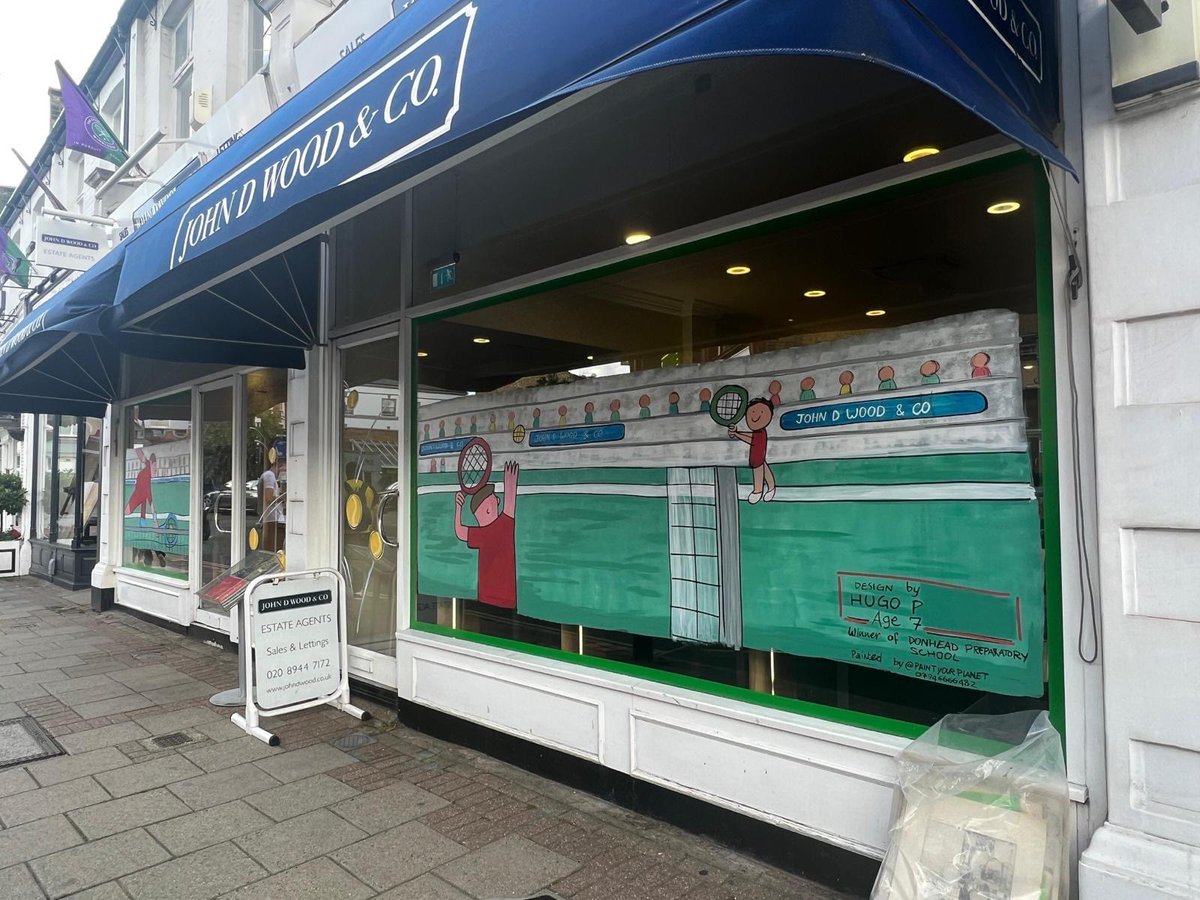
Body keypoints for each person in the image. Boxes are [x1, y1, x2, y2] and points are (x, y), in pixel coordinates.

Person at [454, 460, 519, 608]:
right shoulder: (504, 525)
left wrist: (458, 507)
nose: (497, 499)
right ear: (488, 509)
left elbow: (459, 531)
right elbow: (510, 501)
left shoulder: (483, 534)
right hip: (506, 599)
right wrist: (510, 483)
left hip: (485, 598)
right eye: (494, 499)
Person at [727, 398, 776, 504]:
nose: (755, 415)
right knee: (765, 470)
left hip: (757, 457)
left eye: (761, 412)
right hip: (758, 456)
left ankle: (758, 491)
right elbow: (751, 436)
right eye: (752, 411)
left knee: (758, 472)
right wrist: (737, 433)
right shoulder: (759, 432)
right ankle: (771, 488)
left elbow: (750, 439)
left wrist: (737, 434)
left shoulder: (760, 433)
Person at [125, 448, 158, 526]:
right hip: (138, 495)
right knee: (127, 512)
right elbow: (150, 499)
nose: (156, 469)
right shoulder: (146, 474)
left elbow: (142, 457)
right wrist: (155, 521)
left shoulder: (148, 469)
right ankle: (143, 519)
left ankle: (142, 519)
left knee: (144, 499)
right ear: (151, 463)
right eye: (154, 466)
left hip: (141, 495)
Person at [259, 456, 286, 552]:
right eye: (285, 468)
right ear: (280, 465)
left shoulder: (272, 477)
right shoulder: (269, 475)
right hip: (271, 519)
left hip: (274, 519)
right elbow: (269, 497)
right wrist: (283, 497)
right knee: (272, 552)